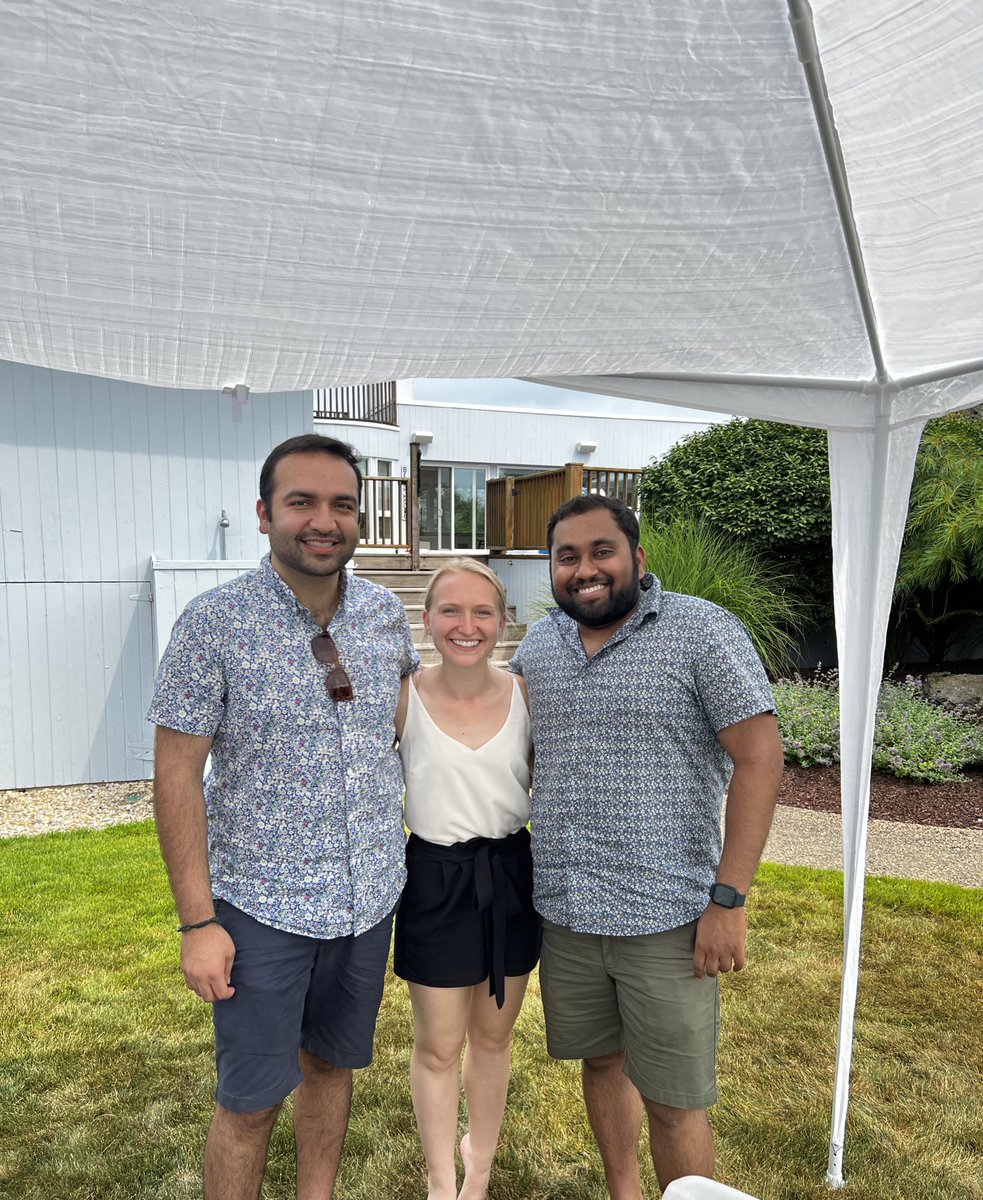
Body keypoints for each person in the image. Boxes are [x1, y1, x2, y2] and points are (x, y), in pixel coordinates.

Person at [148, 433, 418, 1200]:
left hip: (367, 898)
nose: (323, 520)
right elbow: (176, 774)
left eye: (340, 504)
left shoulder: (384, 616)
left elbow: (402, 724)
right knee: (251, 1102)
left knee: (331, 1068)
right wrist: (198, 923)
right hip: (259, 906)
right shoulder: (214, 623)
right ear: (265, 514)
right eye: (302, 501)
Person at [510, 495, 784, 1198]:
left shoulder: (700, 632)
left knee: (672, 1099)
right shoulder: (540, 646)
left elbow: (759, 759)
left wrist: (728, 899)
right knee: (601, 1065)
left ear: (636, 556)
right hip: (567, 912)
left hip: (668, 915)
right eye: (566, 556)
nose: (584, 570)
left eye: (601, 551)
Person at [393, 559, 539, 1200]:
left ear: (502, 622)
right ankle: (440, 1181)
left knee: (494, 1035)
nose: (466, 625)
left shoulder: (526, 693)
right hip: (433, 878)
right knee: (439, 1043)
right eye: (450, 610)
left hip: (509, 876)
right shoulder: (403, 696)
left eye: (482, 611)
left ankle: (477, 1172)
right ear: (426, 620)